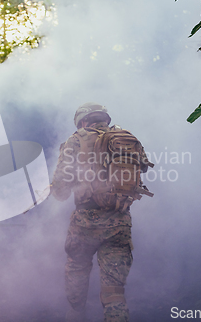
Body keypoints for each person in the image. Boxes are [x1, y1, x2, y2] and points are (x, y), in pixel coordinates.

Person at [51, 102, 153, 322]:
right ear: (105, 119)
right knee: (114, 292)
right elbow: (143, 167)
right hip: (119, 223)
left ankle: (76, 313)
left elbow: (60, 191)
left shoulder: (76, 139)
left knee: (77, 269)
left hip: (84, 223)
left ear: (83, 121)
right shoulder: (126, 138)